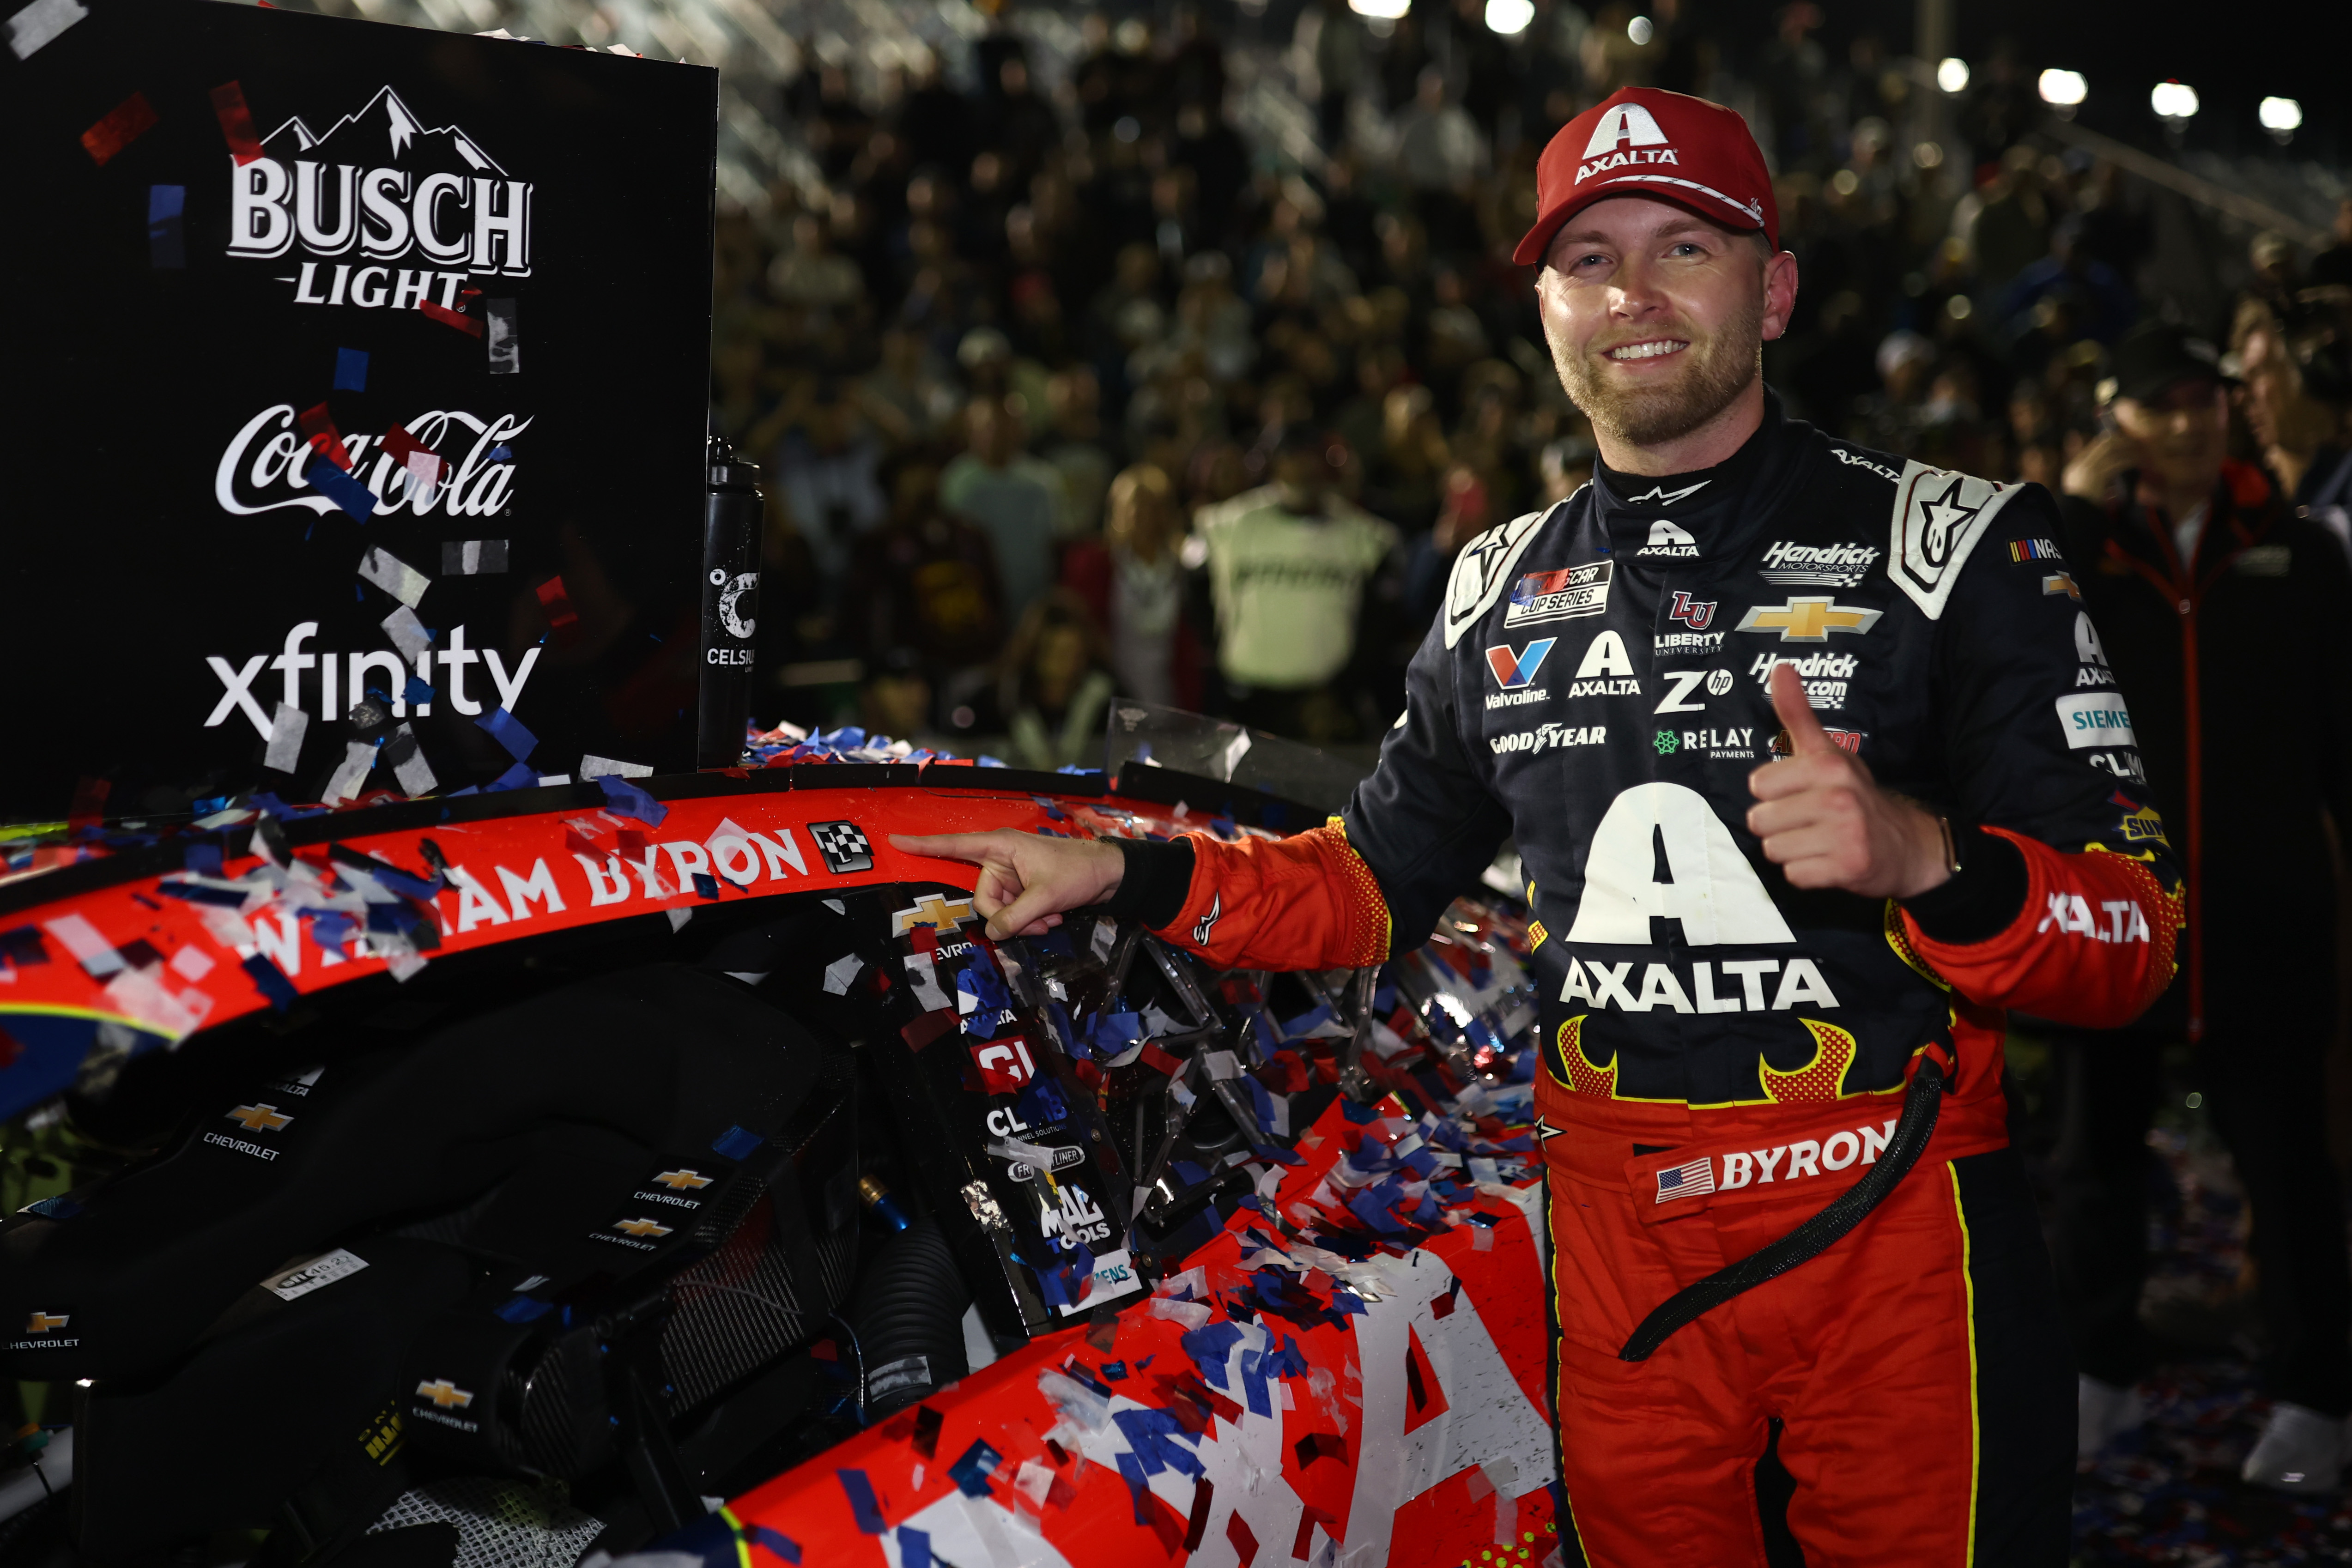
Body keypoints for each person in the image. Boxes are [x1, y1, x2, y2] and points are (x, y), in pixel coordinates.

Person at [898, 87, 2182, 1565]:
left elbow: (2133, 941)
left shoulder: (1954, 542)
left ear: (1769, 289)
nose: (1630, 295)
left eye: (1681, 249)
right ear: (1545, 311)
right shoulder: (1493, 583)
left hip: (1890, 1240)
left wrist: (1924, 862)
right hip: (1618, 1256)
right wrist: (1117, 871)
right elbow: (1369, 887)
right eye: (1587, 260)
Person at [2052, 321, 2352, 1492]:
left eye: (2203, 402)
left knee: (2285, 1169)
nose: (2184, 425)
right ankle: (2099, 1370)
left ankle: (2318, 1393)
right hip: (2112, 917)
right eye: (2157, 406)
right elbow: (2007, 645)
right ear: (2116, 422)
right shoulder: (2078, 551)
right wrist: (2073, 507)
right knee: (2094, 1159)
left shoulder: (2299, 550)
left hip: (2263, 920)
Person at [1192, 424, 1396, 741]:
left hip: (1325, 704)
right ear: (1275, 463)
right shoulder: (1228, 525)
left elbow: (1380, 622)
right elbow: (1194, 591)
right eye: (1292, 458)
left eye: (1309, 457)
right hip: (1247, 700)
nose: (1302, 467)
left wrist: (1344, 687)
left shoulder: (1364, 536)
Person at [1062, 463, 1204, 710]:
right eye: (1136, 505)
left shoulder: (1183, 568)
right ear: (1117, 510)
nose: (1145, 514)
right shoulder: (1092, 565)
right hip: (1109, 696)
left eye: (1155, 505)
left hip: (1170, 696)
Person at [940, 395, 1069, 623]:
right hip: (975, 604)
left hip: (1033, 603)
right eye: (990, 426)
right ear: (971, 430)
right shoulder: (956, 481)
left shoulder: (1044, 480)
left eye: (1009, 425)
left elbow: (1058, 541)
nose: (999, 434)